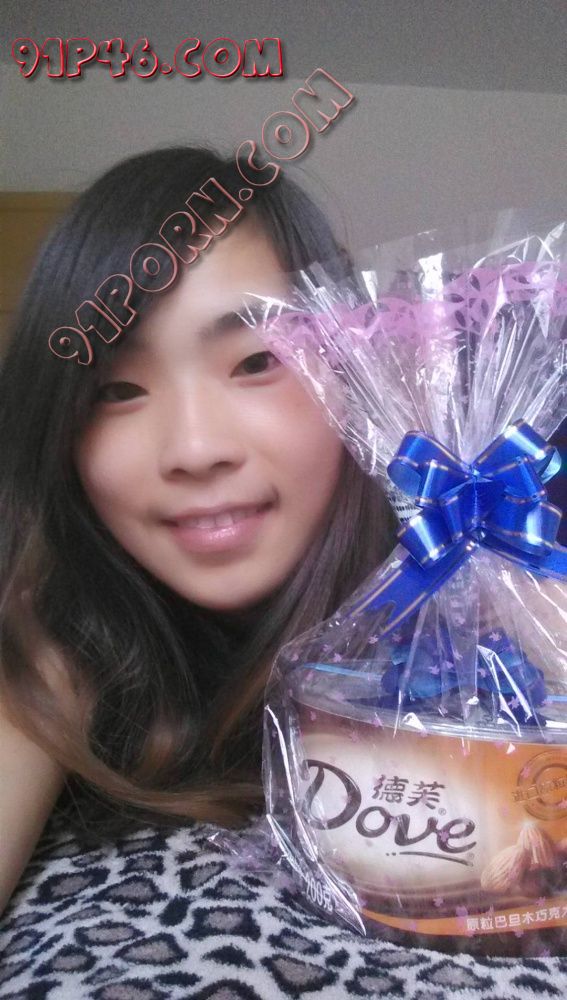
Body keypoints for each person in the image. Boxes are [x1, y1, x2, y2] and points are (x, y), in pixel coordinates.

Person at [0, 145, 397, 915]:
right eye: (116, 389)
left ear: (355, 375)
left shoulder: (476, 610)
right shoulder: (43, 638)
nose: (193, 448)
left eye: (255, 362)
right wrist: (39, 671)